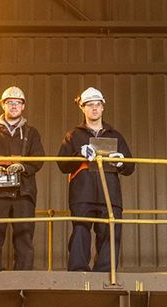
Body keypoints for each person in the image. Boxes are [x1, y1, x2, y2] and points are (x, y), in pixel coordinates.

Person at [57, 87, 134, 273]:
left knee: (110, 232)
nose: (94, 108)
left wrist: (121, 162)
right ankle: (78, 271)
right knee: (81, 231)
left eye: (97, 104)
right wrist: (78, 154)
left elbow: (130, 168)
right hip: (82, 194)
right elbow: (62, 165)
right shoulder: (73, 136)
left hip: (110, 195)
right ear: (82, 108)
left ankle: (106, 273)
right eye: (89, 105)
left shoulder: (115, 135)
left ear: (103, 107)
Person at [0, 85, 45, 272]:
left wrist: (23, 166)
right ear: (2, 105)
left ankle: (23, 276)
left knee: (24, 234)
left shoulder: (31, 133)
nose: (13, 106)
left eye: (17, 103)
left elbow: (39, 158)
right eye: (9, 103)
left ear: (23, 107)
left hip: (24, 191)